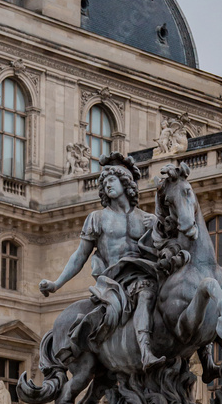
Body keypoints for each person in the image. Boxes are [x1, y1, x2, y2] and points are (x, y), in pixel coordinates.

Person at [39, 152, 164, 370]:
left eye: (112, 180)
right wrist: (56, 284)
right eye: (104, 183)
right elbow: (80, 255)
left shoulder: (146, 219)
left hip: (143, 272)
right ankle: (145, 352)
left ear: (126, 183)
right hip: (114, 281)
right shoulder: (97, 218)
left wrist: (157, 227)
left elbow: (162, 250)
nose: (107, 185)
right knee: (145, 292)